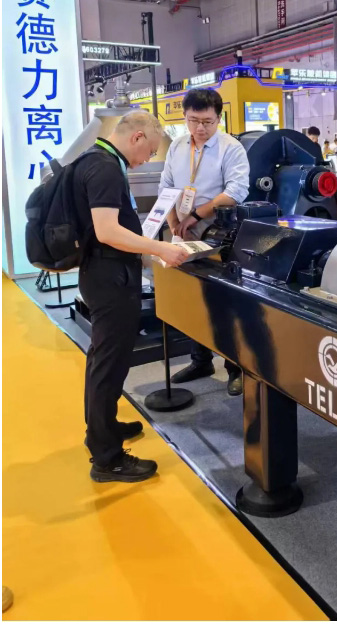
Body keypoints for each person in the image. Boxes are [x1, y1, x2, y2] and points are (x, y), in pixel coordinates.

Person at [74, 111, 191, 483]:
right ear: (137, 137)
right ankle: (107, 458)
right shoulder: (106, 168)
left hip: (102, 274)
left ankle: (103, 428)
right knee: (108, 365)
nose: (147, 159)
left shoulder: (95, 159)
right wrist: (160, 248)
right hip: (109, 278)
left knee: (103, 359)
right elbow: (108, 231)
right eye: (150, 151)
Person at [160, 88, 250, 394]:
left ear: (219, 118)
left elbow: (236, 190)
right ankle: (200, 360)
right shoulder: (177, 146)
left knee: (225, 301)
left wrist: (196, 216)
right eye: (193, 120)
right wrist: (174, 222)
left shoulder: (230, 148)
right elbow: (166, 186)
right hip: (185, 234)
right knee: (192, 297)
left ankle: (235, 368)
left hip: (222, 235)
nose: (200, 128)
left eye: (207, 122)